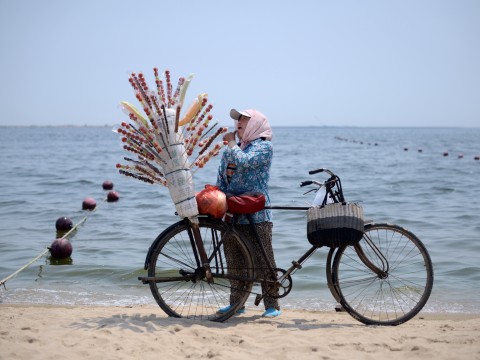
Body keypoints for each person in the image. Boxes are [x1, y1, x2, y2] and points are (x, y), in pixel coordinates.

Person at [216, 108, 281, 318]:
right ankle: (237, 303)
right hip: (232, 212)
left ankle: (272, 306)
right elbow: (221, 178)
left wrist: (232, 144)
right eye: (238, 120)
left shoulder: (264, 147)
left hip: (257, 214)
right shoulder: (230, 150)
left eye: (244, 119)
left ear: (256, 124)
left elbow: (245, 161)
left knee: (264, 260)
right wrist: (218, 202)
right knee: (234, 261)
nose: (238, 123)